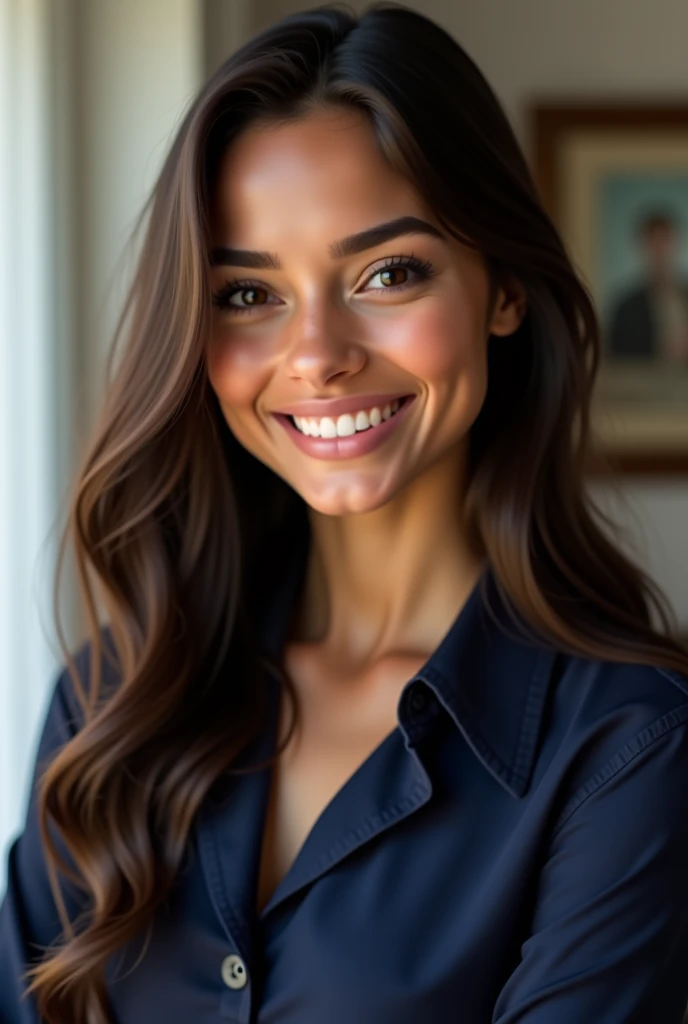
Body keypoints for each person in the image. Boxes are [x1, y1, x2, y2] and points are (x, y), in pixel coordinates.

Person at [2, 4, 688, 1022]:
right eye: (247, 294)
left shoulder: (628, 749)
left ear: (502, 290)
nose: (317, 352)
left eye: (389, 273)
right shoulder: (111, 700)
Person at [607, 210, 688, 364]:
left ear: (675, 243)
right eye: (654, 243)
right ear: (643, 246)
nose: (660, 252)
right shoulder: (626, 308)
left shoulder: (685, 296)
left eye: (665, 242)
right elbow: (618, 359)